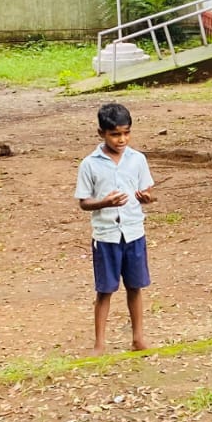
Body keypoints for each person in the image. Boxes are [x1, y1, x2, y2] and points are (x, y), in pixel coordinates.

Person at [76, 103, 157, 355]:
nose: (121, 139)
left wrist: (147, 198)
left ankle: (138, 338)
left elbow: (147, 191)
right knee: (105, 290)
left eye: (126, 133)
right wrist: (104, 202)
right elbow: (83, 202)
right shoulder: (90, 164)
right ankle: (99, 344)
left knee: (135, 286)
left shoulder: (137, 159)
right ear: (101, 133)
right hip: (106, 235)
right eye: (115, 134)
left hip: (134, 231)